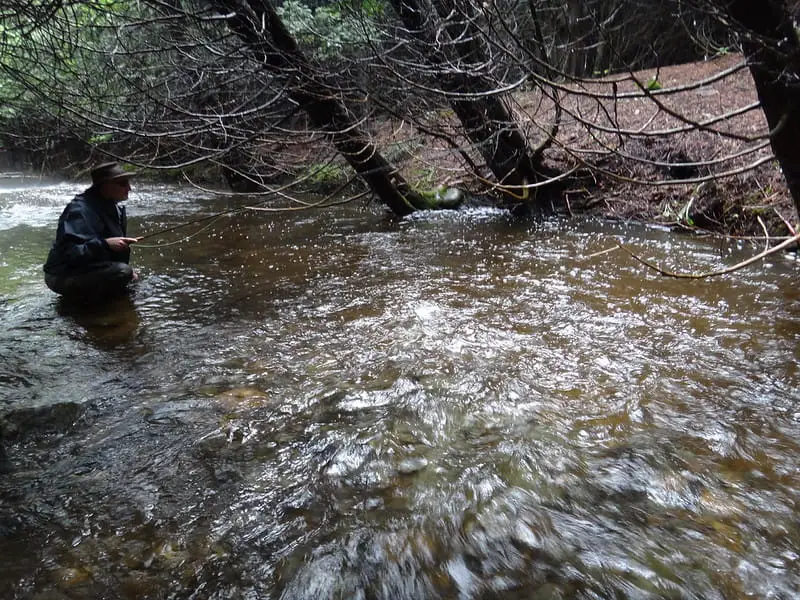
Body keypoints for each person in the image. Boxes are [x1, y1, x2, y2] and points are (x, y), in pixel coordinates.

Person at [43, 162, 141, 299]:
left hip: (83, 269)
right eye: (123, 183)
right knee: (122, 272)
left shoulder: (111, 206)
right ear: (106, 185)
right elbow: (70, 254)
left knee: (129, 275)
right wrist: (105, 244)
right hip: (60, 275)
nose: (129, 188)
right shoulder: (79, 210)